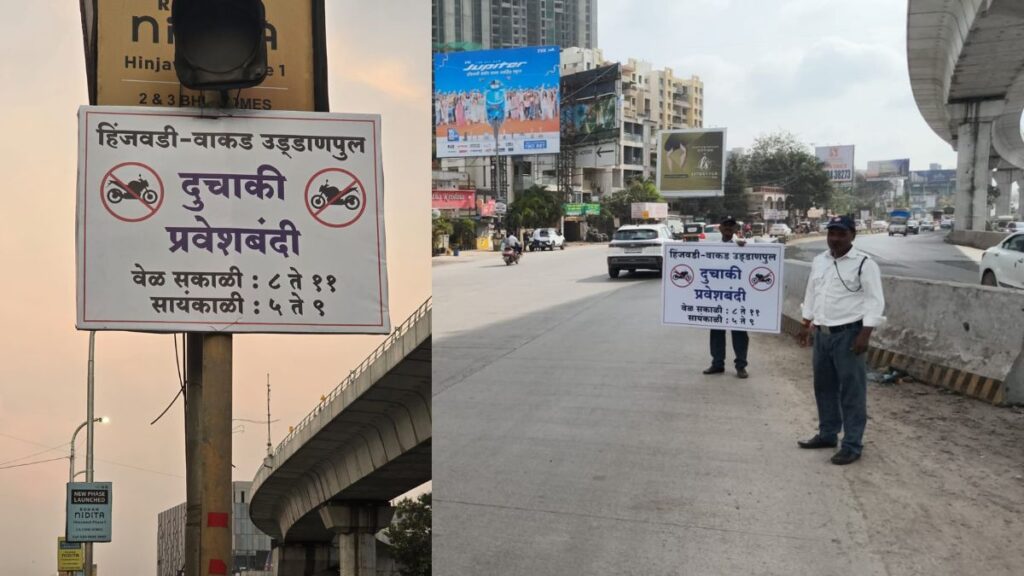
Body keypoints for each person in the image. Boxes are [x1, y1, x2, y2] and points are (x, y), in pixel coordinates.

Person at [797, 215, 886, 466]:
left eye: (841, 234)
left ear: (852, 236)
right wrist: (806, 324)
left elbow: (874, 301)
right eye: (831, 233)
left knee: (852, 392)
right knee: (824, 388)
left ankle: (852, 444)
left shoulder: (864, 264)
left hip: (849, 335)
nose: (834, 239)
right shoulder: (820, 261)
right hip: (823, 334)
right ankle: (827, 434)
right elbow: (812, 293)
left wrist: (865, 334)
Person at [703, 216, 749, 379]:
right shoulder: (712, 248)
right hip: (718, 298)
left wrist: (744, 248)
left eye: (731, 226)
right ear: (720, 228)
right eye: (725, 225)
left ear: (736, 228)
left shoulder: (744, 246)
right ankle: (717, 364)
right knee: (716, 332)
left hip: (737, 298)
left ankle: (741, 366)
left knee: (739, 333)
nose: (728, 228)